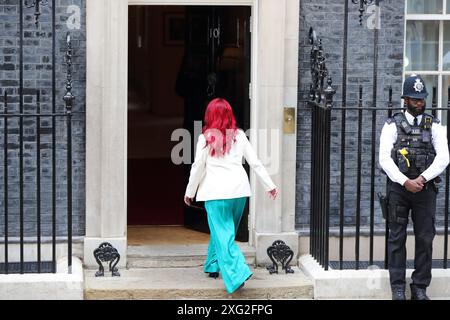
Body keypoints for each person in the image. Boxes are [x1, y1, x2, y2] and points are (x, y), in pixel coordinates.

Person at [184, 98, 278, 294]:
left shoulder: (205, 138)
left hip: (216, 194)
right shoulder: (240, 135)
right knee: (224, 232)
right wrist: (269, 185)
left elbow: (198, 167)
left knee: (223, 234)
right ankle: (212, 265)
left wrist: (189, 192)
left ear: (209, 116)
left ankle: (238, 273)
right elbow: (255, 162)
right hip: (239, 193)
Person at [379, 74, 449, 300]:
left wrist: (422, 179)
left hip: (425, 190)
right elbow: (384, 159)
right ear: (405, 99)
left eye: (422, 99)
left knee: (425, 238)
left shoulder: (435, 125)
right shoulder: (391, 125)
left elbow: (444, 157)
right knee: (396, 238)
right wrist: (405, 181)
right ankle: (398, 287)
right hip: (399, 190)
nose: (419, 103)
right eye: (415, 99)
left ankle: (419, 287)